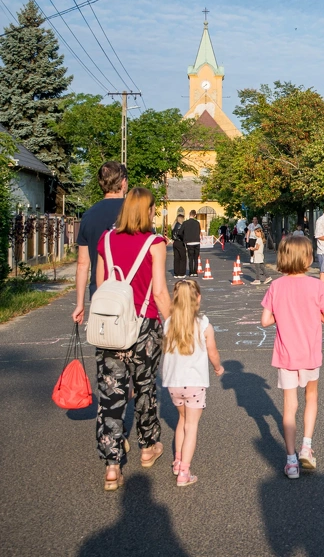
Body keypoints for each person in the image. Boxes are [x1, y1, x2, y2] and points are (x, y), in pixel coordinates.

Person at [93, 187, 172, 491]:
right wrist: (174, 326)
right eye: (152, 209)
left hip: (111, 327)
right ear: (147, 211)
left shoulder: (106, 240)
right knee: (145, 389)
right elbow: (160, 292)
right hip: (144, 327)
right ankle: (149, 447)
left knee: (111, 395)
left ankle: (112, 465)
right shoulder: (155, 244)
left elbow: (102, 285)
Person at [261, 236, 324, 479]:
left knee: (289, 405)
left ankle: (291, 460)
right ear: (307, 258)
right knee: (311, 396)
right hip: (310, 352)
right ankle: (307, 446)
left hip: (286, 354)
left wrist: (280, 315)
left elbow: (265, 320)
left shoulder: (276, 286)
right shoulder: (317, 286)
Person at [162, 279, 224, 487]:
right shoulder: (204, 324)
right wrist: (218, 367)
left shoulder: (169, 323)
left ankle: (178, 460)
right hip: (195, 383)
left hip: (173, 384)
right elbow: (212, 352)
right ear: (198, 298)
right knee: (192, 424)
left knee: (181, 420)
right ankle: (185, 472)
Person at [72, 161, 127, 324]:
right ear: (123, 182)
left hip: (100, 292)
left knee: (105, 341)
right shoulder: (133, 211)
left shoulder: (88, 215)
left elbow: (82, 264)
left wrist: (80, 303)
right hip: (131, 291)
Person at [182, 210, 201, 277]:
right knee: (196, 258)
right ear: (195, 215)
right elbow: (199, 231)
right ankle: (195, 272)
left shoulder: (185, 223)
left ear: (189, 214)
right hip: (196, 242)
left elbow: (181, 232)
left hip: (189, 242)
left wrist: (184, 238)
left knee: (190, 258)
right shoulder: (197, 223)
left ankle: (191, 272)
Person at [170, 214, 187, 279]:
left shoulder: (174, 225)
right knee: (183, 258)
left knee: (176, 258)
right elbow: (181, 234)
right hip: (180, 242)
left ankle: (176, 273)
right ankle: (182, 273)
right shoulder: (181, 226)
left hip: (175, 242)